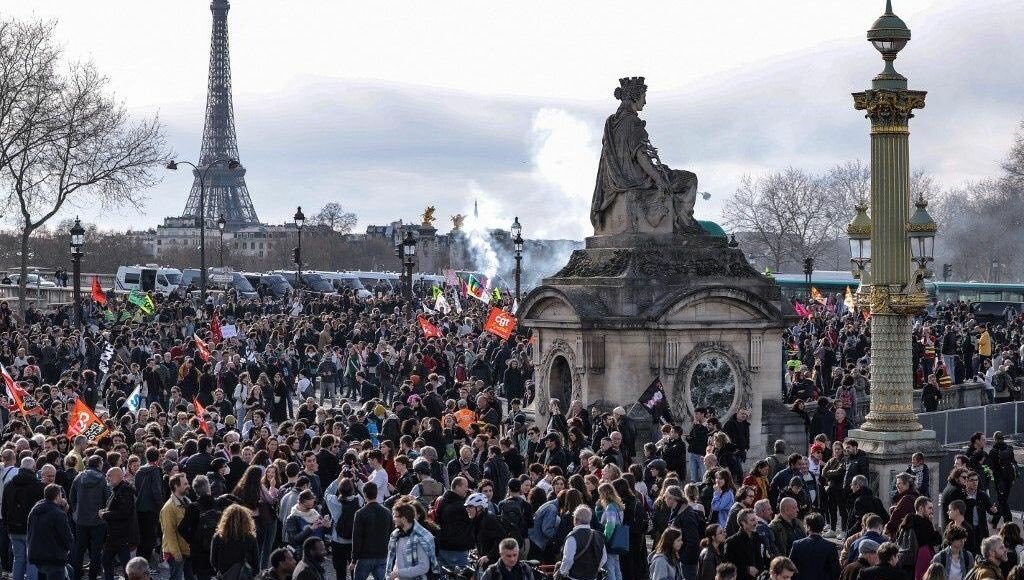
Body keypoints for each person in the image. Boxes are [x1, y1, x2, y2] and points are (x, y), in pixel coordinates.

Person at [70, 455, 111, 580]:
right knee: (96, 550)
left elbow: (71, 496)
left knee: (80, 549)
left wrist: (76, 511)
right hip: (98, 520)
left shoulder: (79, 477)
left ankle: (76, 575)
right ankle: (93, 576)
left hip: (81, 519)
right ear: (99, 464)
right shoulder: (103, 479)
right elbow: (108, 498)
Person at [4, 457, 45, 580]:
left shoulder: (9, 484)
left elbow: (4, 507)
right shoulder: (39, 486)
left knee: (18, 559)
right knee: (31, 559)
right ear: (33, 468)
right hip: (31, 528)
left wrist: (7, 524)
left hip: (13, 528)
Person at [27, 485, 74, 580]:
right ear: (57, 496)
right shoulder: (58, 514)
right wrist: (69, 549)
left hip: (37, 556)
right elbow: (66, 536)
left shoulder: (34, 510)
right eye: (61, 495)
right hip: (54, 557)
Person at [99, 467, 138, 580]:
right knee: (106, 560)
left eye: (109, 475)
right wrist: (106, 511)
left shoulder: (124, 490)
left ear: (118, 476)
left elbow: (124, 513)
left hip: (122, 535)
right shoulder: (118, 489)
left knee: (126, 566)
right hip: (116, 535)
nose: (107, 478)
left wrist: (105, 515)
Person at [350, 482, 393, 580]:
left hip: (365, 556)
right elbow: (391, 535)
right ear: (377, 493)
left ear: (364, 494)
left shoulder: (360, 513)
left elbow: (356, 538)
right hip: (382, 555)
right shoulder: (387, 512)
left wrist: (354, 559)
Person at [386, 502, 438, 580]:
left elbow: (423, 567)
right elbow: (398, 561)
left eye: (395, 516)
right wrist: (394, 574)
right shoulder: (396, 535)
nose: (393, 518)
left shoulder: (419, 538)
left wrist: (398, 573)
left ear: (404, 518)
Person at [557, 506, 607, 580]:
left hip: (574, 577)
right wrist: (594, 570)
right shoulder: (598, 536)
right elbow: (604, 558)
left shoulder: (573, 536)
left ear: (575, 519)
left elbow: (568, 559)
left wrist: (562, 572)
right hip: (592, 577)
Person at [210, 504, 259, 580]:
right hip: (244, 576)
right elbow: (256, 563)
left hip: (224, 575)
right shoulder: (250, 538)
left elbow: (213, 561)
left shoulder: (218, 537)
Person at [159, 473, 192, 580]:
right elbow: (169, 532)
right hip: (176, 553)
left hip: (186, 550)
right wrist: (176, 553)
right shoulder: (168, 508)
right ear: (176, 486)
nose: (188, 486)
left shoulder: (187, 501)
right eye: (185, 484)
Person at [789, 513, 841, 580]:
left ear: (808, 527)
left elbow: (790, 567)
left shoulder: (797, 544)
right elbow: (835, 571)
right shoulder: (830, 546)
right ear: (822, 527)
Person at [722, 509, 766, 580]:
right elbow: (728, 566)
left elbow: (763, 558)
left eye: (755, 519)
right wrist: (746, 569)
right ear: (743, 523)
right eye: (752, 520)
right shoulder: (732, 542)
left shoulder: (759, 538)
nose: (756, 522)